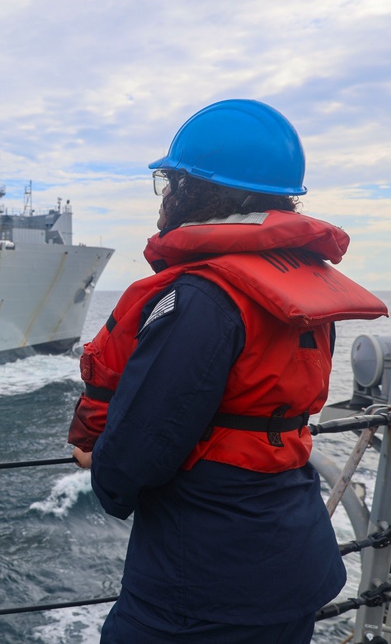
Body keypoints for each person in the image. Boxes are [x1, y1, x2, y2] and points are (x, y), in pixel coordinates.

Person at [67, 99, 387, 643]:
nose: (165, 195)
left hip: (205, 584)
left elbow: (142, 445)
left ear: (203, 191)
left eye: (172, 181)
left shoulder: (200, 297)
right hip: (290, 554)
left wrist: (104, 468)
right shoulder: (296, 287)